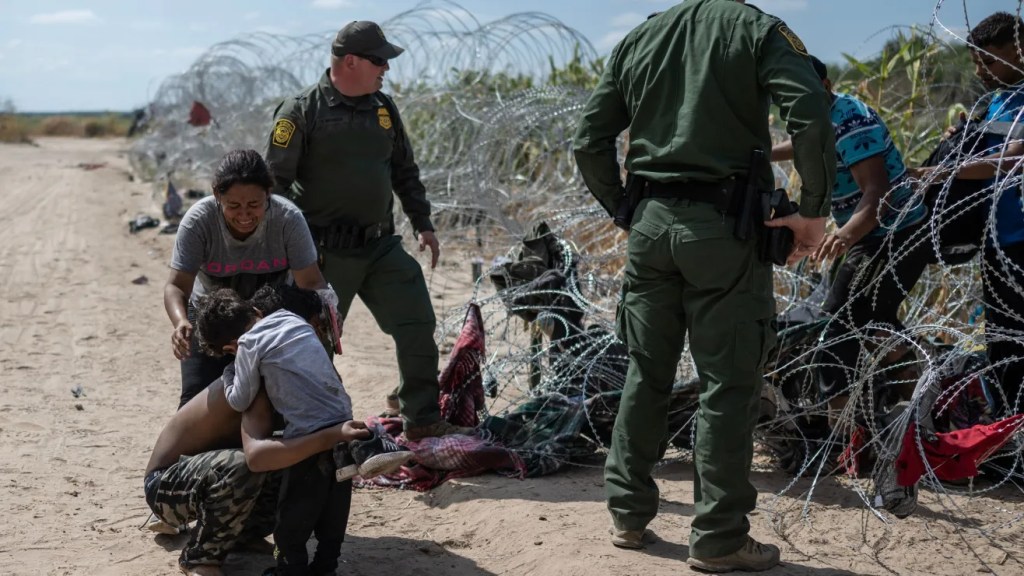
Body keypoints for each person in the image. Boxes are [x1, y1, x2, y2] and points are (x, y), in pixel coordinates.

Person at [573, 1, 836, 572]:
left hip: (650, 227)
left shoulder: (643, 36)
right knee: (729, 382)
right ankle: (718, 538)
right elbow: (810, 112)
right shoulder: (758, 29)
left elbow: (589, 139)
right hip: (724, 230)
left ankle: (628, 514)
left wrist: (624, 208)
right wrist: (814, 211)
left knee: (647, 371)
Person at [263, 20, 470, 441]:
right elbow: (274, 187)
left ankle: (422, 419)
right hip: (323, 255)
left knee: (416, 322)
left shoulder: (383, 108)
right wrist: (292, 248)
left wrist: (422, 222)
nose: (386, 69)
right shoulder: (300, 111)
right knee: (313, 343)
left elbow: (404, 169)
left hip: (380, 246)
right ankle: (311, 431)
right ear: (351, 62)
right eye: (379, 61)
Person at [195, 286, 413, 575]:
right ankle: (326, 566)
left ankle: (290, 569)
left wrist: (230, 373)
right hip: (342, 419)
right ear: (256, 311)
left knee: (291, 516)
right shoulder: (291, 318)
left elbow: (240, 399)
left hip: (309, 434)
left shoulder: (247, 344)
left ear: (229, 347)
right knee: (334, 509)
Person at [771, 56, 931, 430]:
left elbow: (877, 192)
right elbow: (805, 141)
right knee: (872, 320)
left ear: (825, 87)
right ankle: (924, 386)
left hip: (894, 234)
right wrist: (764, 152)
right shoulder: (817, 115)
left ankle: (844, 427)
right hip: (875, 235)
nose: (791, 103)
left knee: (838, 323)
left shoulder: (851, 121)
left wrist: (843, 236)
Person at [144, 379, 369, 576]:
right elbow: (255, 458)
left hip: (207, 476)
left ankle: (243, 536)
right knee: (244, 464)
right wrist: (329, 436)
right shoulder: (255, 381)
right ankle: (200, 558)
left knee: (299, 458)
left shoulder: (304, 380)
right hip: (165, 487)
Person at [164, 149, 329, 408]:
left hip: (269, 322)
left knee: (284, 400)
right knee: (195, 406)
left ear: (268, 194)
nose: (244, 215)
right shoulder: (198, 221)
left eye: (254, 205)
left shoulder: (288, 219)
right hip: (211, 320)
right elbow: (176, 286)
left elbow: (311, 283)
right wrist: (181, 322)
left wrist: (325, 316)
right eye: (233, 206)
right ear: (217, 195)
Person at [919, 12, 1024, 418]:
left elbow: (1010, 161)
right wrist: (962, 138)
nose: (981, 71)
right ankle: (1006, 429)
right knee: (1005, 344)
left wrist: (940, 171)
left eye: (989, 61)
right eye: (976, 63)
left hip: (1019, 240)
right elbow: (985, 150)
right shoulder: (995, 101)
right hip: (996, 239)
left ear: (1019, 51)